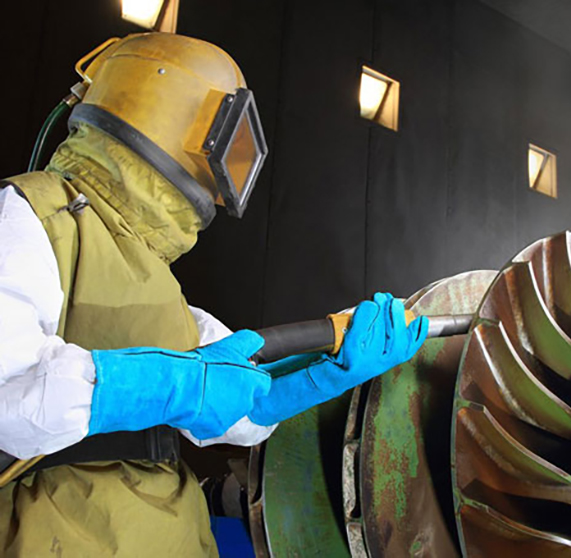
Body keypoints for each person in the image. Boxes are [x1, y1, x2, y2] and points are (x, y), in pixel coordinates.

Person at [0, 32, 428, 556]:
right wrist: (176, 386)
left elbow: (242, 409)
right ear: (164, 106)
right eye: (221, 138)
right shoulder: (29, 216)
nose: (221, 174)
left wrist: (326, 370)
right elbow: (8, 390)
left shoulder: (159, 285)